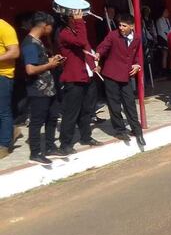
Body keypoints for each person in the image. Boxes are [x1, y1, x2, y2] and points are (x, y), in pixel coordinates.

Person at [21, 12, 65, 164]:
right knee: (37, 121)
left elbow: (40, 63)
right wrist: (50, 65)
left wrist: (51, 60)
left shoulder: (38, 42)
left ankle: (50, 146)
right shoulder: (30, 44)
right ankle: (35, 152)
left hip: (49, 88)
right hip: (38, 90)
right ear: (45, 26)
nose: (51, 29)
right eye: (51, 26)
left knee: (52, 117)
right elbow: (30, 70)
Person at [95, 14, 145, 146]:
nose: (121, 28)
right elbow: (103, 46)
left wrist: (137, 64)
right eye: (120, 25)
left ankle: (137, 130)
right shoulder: (113, 35)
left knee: (130, 103)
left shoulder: (137, 38)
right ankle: (120, 130)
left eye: (124, 25)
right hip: (111, 74)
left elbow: (137, 56)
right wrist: (98, 53)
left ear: (132, 26)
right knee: (114, 104)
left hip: (126, 75)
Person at [57, 9, 101, 155]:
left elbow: (87, 49)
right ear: (69, 19)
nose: (82, 20)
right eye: (77, 17)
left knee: (87, 109)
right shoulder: (65, 33)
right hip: (74, 78)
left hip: (87, 76)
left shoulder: (78, 31)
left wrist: (95, 66)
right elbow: (81, 42)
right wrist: (79, 22)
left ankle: (86, 137)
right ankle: (65, 143)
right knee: (71, 112)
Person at [0, 17, 20, 159]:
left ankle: (5, 145)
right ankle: (11, 131)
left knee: (3, 111)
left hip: (3, 76)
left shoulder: (4, 27)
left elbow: (14, 52)